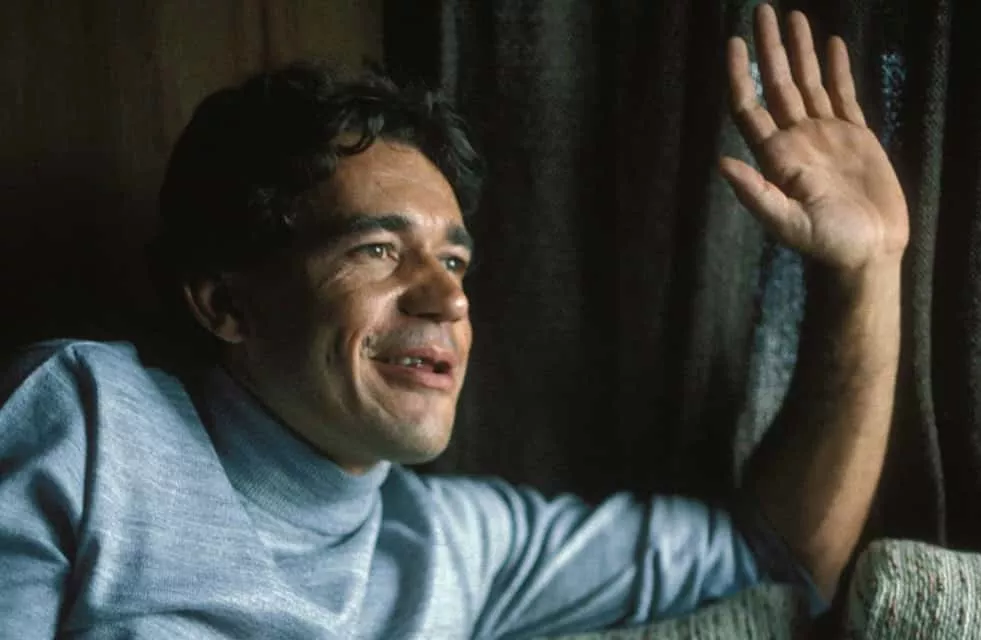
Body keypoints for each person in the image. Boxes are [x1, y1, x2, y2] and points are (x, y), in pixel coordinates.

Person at [0, 5, 907, 639]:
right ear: (226, 303)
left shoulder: (455, 546)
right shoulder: (88, 419)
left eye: (455, 260)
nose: (448, 299)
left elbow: (777, 555)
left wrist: (866, 271)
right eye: (378, 250)